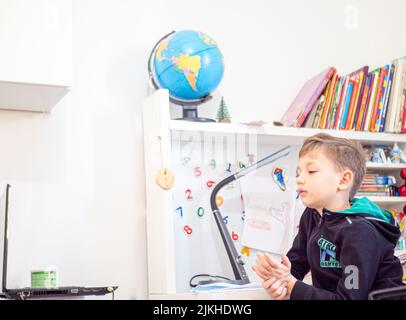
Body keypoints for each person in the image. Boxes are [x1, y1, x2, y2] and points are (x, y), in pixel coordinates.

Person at [252, 133, 404, 300]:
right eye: (298, 172)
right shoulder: (313, 214)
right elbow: (296, 263)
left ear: (343, 180)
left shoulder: (359, 232)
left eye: (311, 171)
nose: (299, 180)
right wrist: (279, 279)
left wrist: (292, 286)